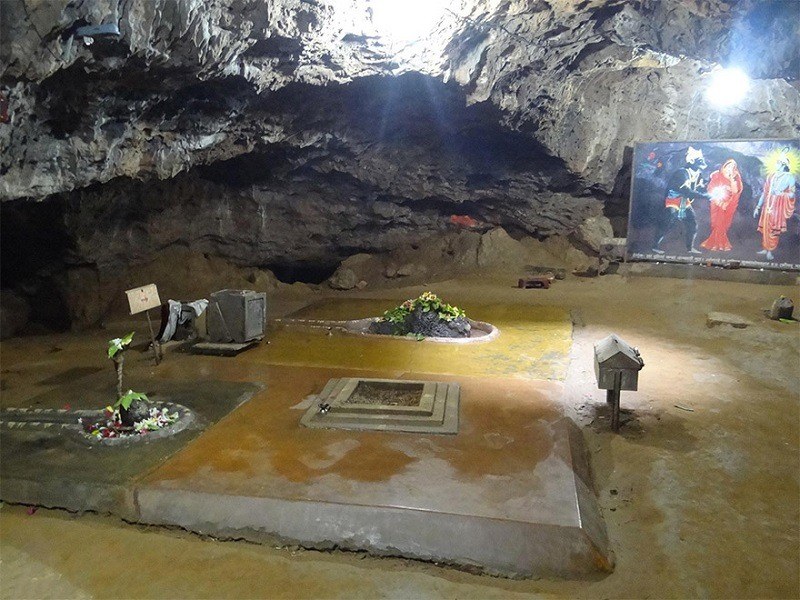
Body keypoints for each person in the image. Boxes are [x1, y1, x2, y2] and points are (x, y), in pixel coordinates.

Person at [653, 146, 709, 254]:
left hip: (684, 201)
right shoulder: (682, 173)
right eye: (699, 160)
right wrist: (705, 196)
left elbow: (698, 187)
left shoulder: (698, 174)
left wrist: (707, 188)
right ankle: (655, 246)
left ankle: (689, 248)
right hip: (672, 200)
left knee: (692, 224)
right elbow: (686, 191)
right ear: (692, 161)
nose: (702, 162)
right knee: (668, 222)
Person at [753, 153, 796, 261]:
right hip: (767, 205)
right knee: (765, 228)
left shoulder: (789, 177)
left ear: (783, 164)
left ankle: (770, 251)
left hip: (777, 206)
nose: (776, 164)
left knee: (773, 229)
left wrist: (780, 193)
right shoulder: (771, 176)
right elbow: (765, 192)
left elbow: (792, 194)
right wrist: (758, 207)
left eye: (778, 162)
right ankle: (765, 248)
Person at [700, 159, 743, 251]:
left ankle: (717, 244)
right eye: (728, 166)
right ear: (724, 166)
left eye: (732, 167)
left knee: (723, 224)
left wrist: (732, 180)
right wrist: (718, 201)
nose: (729, 168)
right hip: (717, 202)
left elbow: (736, 191)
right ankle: (717, 244)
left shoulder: (735, 177)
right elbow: (711, 189)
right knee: (716, 223)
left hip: (728, 204)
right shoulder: (717, 175)